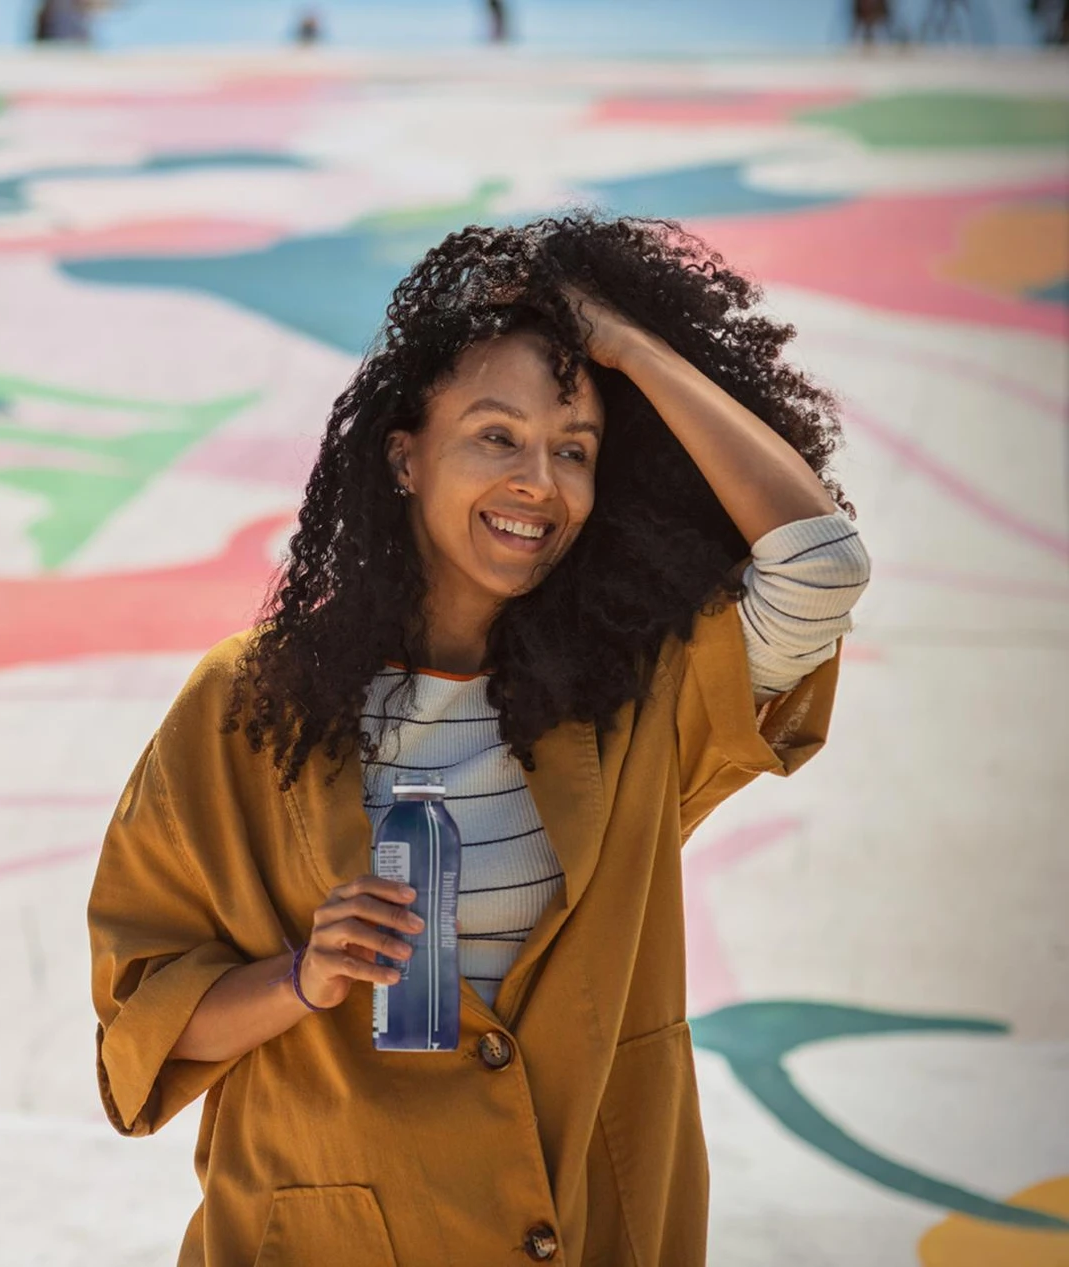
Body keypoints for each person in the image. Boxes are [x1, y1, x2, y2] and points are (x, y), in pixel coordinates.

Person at [88, 215, 869, 1264]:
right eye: (496, 435)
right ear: (404, 456)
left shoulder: (632, 702)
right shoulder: (244, 706)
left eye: (575, 450)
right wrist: (304, 978)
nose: (537, 484)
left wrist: (628, 347)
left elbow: (819, 564)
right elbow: (139, 1031)